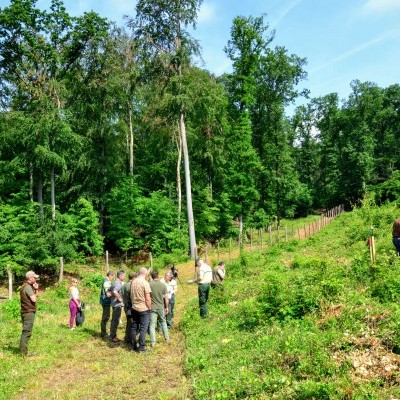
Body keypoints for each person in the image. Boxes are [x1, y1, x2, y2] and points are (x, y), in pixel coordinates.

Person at [130, 267, 151, 353]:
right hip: (143, 308)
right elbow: (147, 298)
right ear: (146, 274)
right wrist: (149, 307)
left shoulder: (133, 282)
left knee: (134, 327)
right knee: (143, 328)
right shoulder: (145, 283)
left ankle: (132, 346)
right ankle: (141, 347)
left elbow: (131, 295)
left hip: (134, 307)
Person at [19, 271, 39, 356]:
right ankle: (23, 353)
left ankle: (23, 352)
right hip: (28, 312)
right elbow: (34, 299)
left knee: (26, 331)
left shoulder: (26, 286)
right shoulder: (27, 287)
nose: (35, 279)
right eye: (34, 277)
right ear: (30, 278)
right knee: (26, 332)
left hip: (26, 311)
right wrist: (35, 289)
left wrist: (36, 289)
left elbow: (34, 297)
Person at [149, 270, 169, 347]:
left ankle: (153, 342)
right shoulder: (163, 285)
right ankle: (167, 338)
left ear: (151, 276)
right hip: (161, 306)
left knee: (152, 325)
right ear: (158, 276)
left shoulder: (149, 285)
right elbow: (166, 298)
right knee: (163, 322)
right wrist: (166, 307)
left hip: (152, 307)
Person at [121, 272, 138, 344]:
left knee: (129, 322)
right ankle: (130, 339)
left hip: (126, 305)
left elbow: (122, 295)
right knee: (132, 323)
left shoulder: (124, 285)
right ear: (134, 278)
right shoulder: (131, 285)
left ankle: (127, 338)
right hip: (131, 306)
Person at [109, 269, 125, 343]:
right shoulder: (118, 283)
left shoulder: (114, 282)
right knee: (115, 321)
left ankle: (112, 335)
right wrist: (119, 299)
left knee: (114, 320)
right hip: (117, 304)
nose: (124, 277)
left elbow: (109, 290)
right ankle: (113, 337)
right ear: (120, 276)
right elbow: (115, 291)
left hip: (113, 303)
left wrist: (110, 296)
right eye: (123, 275)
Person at [99, 271, 115, 339]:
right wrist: (115, 294)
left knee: (106, 316)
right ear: (110, 275)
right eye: (113, 277)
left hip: (106, 301)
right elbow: (108, 294)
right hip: (106, 301)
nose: (113, 278)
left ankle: (104, 332)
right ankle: (103, 333)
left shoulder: (107, 281)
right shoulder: (106, 282)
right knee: (105, 317)